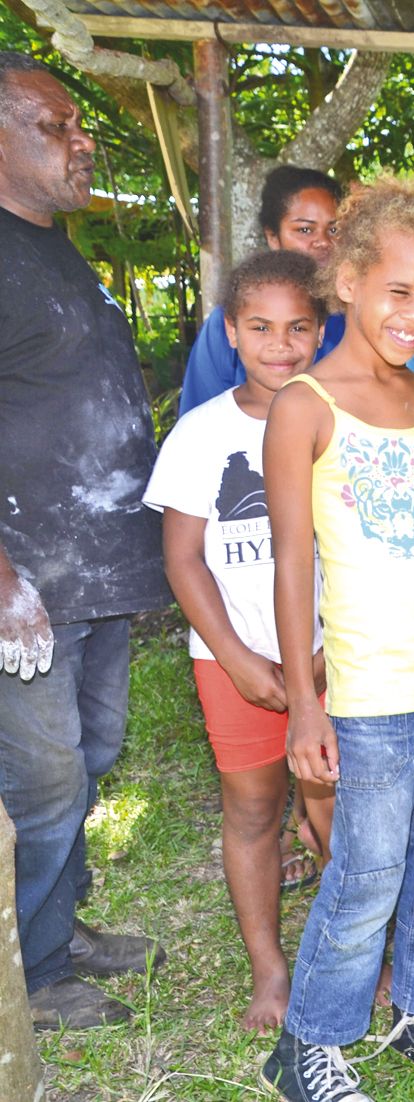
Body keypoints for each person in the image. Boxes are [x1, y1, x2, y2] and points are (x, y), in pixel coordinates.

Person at [258, 180, 414, 1101]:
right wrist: (303, 704)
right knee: (367, 872)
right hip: (370, 690)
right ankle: (310, 1044)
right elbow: (293, 569)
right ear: (349, 281)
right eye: (397, 292)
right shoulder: (305, 408)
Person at [0, 50, 172, 1030]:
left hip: (97, 575)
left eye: (77, 125)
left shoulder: (57, 247)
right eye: (52, 124)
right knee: (46, 775)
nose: (81, 139)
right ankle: (33, 973)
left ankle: (56, 920)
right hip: (27, 583)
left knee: (92, 751)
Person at [143, 251, 334, 1032]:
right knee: (254, 811)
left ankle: (355, 950)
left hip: (335, 657)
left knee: (337, 813)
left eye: (297, 328)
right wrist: (239, 660)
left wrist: (319, 658)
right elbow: (182, 560)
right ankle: (270, 970)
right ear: (231, 331)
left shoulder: (337, 423)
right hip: (235, 661)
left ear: (322, 332)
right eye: (260, 327)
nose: (280, 344)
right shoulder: (201, 432)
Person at [177, 161, 414, 416]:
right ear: (273, 237)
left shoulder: (356, 317)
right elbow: (198, 421)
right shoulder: (229, 323)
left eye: (334, 228)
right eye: (304, 229)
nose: (323, 240)